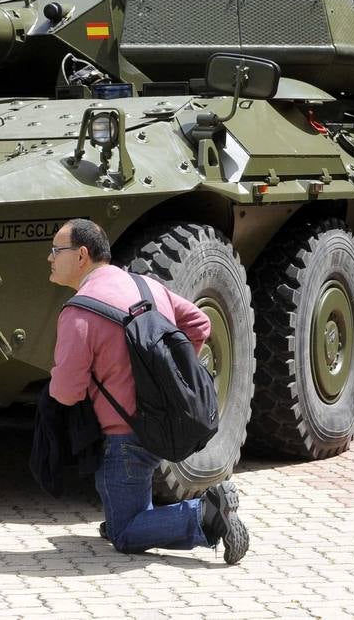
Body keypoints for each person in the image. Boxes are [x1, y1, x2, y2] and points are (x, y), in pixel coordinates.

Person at [47, 219, 250, 564]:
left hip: (123, 438)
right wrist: (169, 373)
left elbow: (66, 393)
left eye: (56, 250)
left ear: (81, 255)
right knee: (122, 518)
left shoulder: (79, 311)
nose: (49, 258)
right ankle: (137, 518)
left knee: (125, 533)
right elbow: (200, 324)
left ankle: (205, 515)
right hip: (160, 422)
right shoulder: (147, 286)